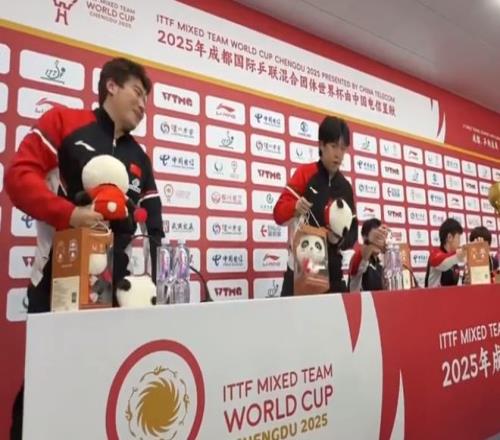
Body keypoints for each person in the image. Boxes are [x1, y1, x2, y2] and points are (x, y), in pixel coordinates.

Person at [5, 57, 163, 440]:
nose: (144, 105)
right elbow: (19, 176)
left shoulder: (140, 158)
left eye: (147, 99)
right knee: (46, 386)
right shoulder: (64, 122)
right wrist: (70, 214)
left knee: (106, 389)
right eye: (138, 93)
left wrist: (157, 281)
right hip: (58, 282)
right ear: (111, 85)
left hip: (119, 294)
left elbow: (155, 226)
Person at [273, 115, 358, 295]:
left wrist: (338, 239)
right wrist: (295, 207)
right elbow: (278, 214)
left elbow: (352, 234)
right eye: (333, 146)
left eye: (343, 148)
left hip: (333, 274)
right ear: (321, 145)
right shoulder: (305, 174)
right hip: (301, 270)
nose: (338, 154)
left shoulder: (345, 187)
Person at [348, 218, 388, 292]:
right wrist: (371, 244)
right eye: (375, 237)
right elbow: (362, 258)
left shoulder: (380, 263)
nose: (378, 241)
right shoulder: (358, 258)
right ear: (364, 237)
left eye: (380, 237)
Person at [425, 218, 465, 288]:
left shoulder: (454, 262)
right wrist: (462, 253)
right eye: (458, 238)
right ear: (449, 237)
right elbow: (443, 263)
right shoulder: (434, 255)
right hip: (434, 295)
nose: (459, 242)